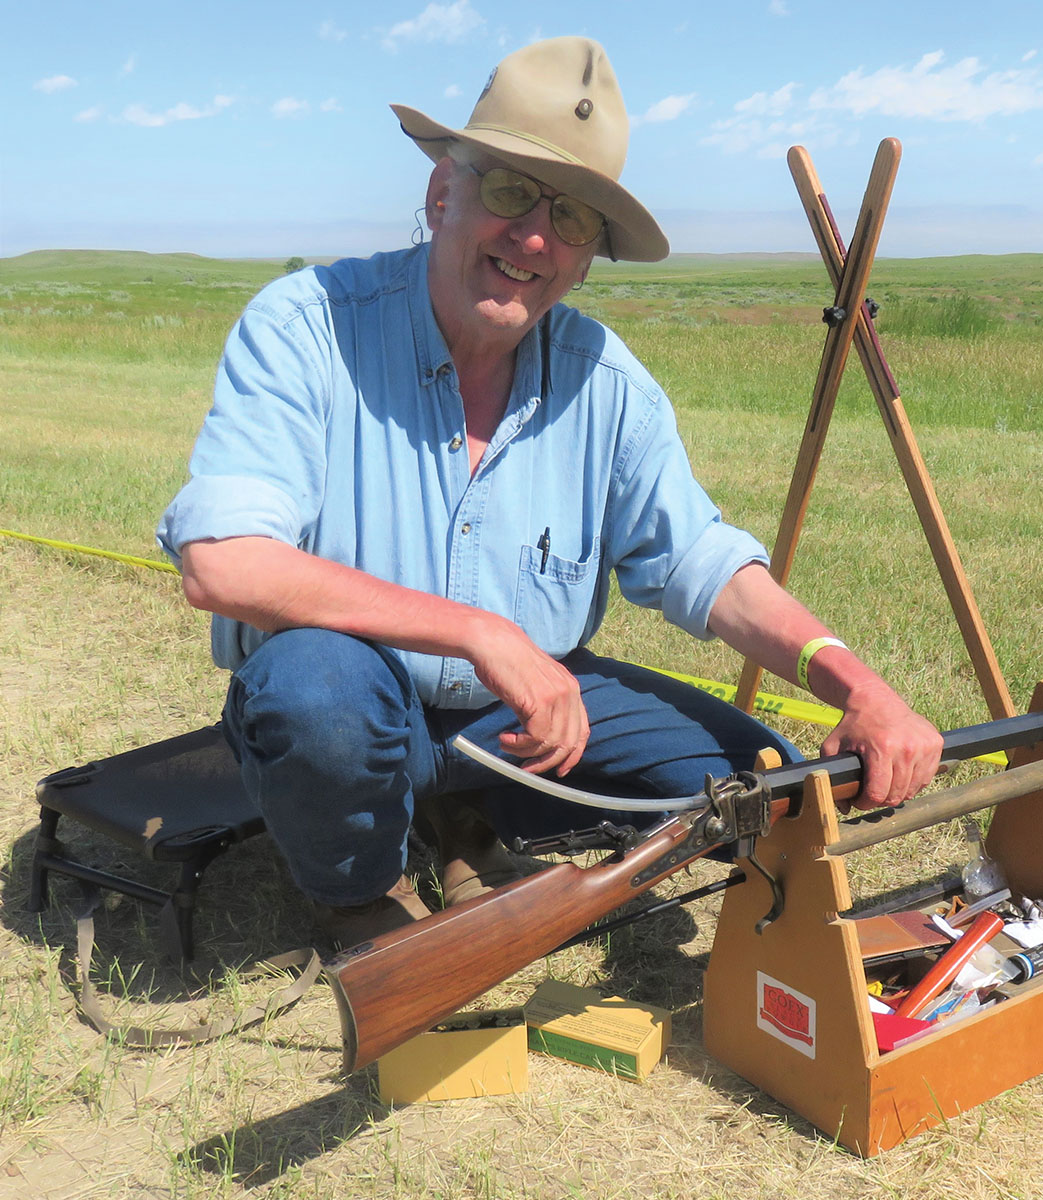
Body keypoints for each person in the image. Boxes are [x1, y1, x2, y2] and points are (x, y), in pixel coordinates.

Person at [158, 36, 941, 948]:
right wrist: (480, 632)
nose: (533, 235)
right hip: (357, 693)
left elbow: (700, 561)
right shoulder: (305, 328)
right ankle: (359, 894)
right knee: (315, 697)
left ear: (589, 258)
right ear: (440, 196)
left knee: (761, 778)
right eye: (508, 192)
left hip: (523, 715)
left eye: (570, 217)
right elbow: (223, 562)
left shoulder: (606, 384)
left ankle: (474, 813)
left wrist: (857, 683)